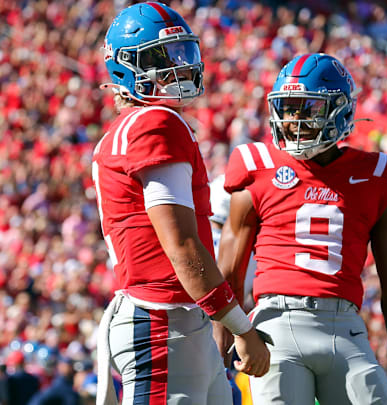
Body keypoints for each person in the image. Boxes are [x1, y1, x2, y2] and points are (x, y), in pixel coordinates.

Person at [217, 53, 387, 405]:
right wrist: (219, 363)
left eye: (307, 108)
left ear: (341, 110)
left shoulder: (378, 176)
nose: (294, 120)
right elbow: (229, 277)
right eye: (288, 108)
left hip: (345, 327)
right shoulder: (256, 166)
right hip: (274, 324)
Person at [93, 3, 270, 405]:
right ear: (125, 66)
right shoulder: (156, 122)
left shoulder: (126, 130)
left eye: (180, 54)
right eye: (160, 58)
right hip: (160, 323)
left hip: (177, 322)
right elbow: (184, 249)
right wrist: (243, 329)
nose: (178, 67)